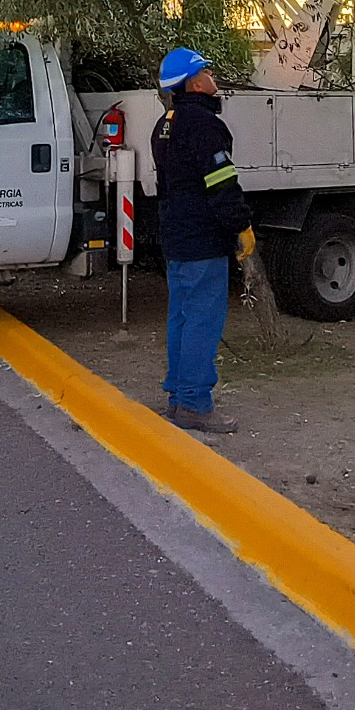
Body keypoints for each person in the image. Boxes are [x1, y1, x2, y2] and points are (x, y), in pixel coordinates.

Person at [151, 45, 256, 435]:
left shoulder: (164, 125)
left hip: (176, 236)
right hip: (203, 239)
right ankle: (195, 403)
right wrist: (241, 226)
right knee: (202, 319)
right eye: (208, 72)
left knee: (181, 316)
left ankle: (179, 395)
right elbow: (221, 185)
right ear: (194, 83)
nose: (214, 78)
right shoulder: (206, 126)